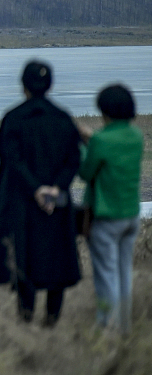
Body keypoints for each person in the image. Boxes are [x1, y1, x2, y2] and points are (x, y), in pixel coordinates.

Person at [0, 61, 81, 327]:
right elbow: (73, 159)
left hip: (23, 202)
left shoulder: (13, 119)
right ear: (50, 84)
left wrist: (35, 189)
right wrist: (56, 188)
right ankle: (52, 319)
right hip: (57, 202)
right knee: (57, 259)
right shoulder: (63, 118)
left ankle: (26, 317)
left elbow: (11, 159)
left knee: (25, 258)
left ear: (23, 85)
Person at [78, 84, 143, 334]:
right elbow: (110, 147)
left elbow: (86, 172)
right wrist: (93, 138)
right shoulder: (136, 136)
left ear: (104, 111)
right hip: (131, 215)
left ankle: (107, 329)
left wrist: (86, 144)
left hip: (106, 218)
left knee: (106, 276)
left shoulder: (101, 140)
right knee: (124, 273)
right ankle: (125, 327)